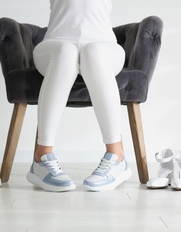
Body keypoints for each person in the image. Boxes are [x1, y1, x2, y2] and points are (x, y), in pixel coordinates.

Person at [26, 0, 132, 192]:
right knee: (66, 51)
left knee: (94, 52)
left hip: (105, 45)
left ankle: (117, 157)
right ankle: (41, 158)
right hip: (55, 44)